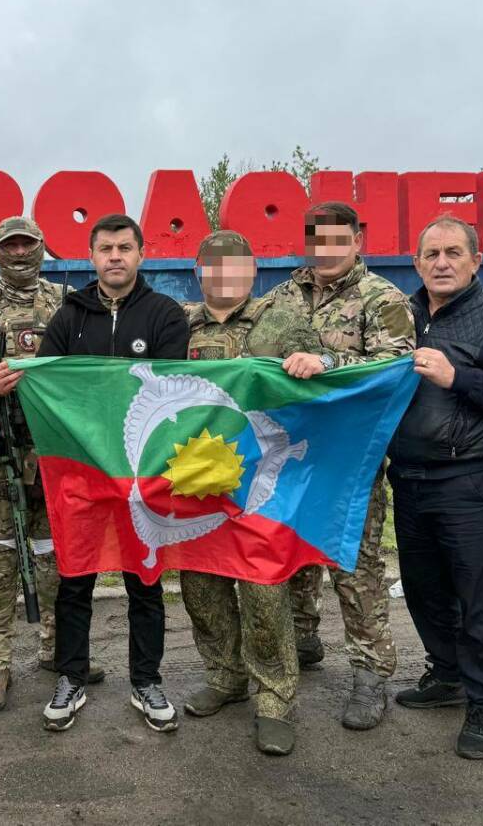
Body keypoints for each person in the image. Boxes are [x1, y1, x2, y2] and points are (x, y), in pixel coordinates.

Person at [386, 215, 483, 760]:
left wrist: (458, 378)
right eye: (431, 254)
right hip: (407, 476)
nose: (442, 263)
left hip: (466, 479)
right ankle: (447, 674)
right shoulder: (398, 316)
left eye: (453, 252)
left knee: (478, 597)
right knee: (423, 588)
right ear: (416, 262)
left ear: (477, 260)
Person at [37, 213, 190, 732]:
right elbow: (47, 383)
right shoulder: (69, 316)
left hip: (141, 474)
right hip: (81, 474)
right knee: (75, 579)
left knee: (144, 581)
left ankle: (146, 682)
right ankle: (71, 678)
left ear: (141, 254)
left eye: (125, 247)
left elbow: (170, 391)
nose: (115, 257)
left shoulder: (165, 314)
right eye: (106, 249)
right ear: (92, 256)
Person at [265, 201, 415, 729]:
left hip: (350, 459)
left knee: (353, 564)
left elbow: (396, 366)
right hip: (288, 453)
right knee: (290, 552)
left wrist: (328, 363)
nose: (325, 249)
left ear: (357, 241)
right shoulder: (282, 296)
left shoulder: (382, 298)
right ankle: (303, 639)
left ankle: (370, 673)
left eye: (337, 238)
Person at [0, 215, 104, 713]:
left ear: (41, 247)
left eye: (27, 244)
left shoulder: (67, 301)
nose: (19, 253)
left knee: (57, 559)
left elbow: (89, 367)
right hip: (0, 453)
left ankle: (61, 651)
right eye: (9, 245)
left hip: (54, 454)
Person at [178, 229, 325, 756]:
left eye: (235, 263)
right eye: (213, 263)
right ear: (199, 270)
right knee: (200, 584)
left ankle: (274, 699)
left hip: (264, 482)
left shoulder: (280, 320)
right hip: (196, 480)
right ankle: (225, 676)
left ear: (252, 271)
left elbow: (320, 363)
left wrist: (314, 362)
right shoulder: (180, 324)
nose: (224, 273)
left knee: (263, 591)